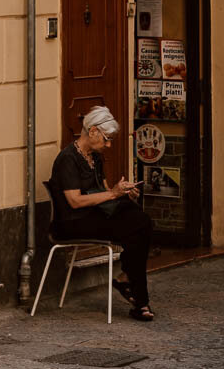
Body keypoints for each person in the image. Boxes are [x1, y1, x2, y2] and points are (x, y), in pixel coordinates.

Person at [49, 105, 155, 322]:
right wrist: (114, 194)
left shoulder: (95, 157)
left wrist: (123, 191)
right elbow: (75, 201)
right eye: (106, 138)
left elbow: (105, 191)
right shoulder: (67, 159)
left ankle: (134, 289)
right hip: (73, 221)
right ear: (94, 131)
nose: (108, 144)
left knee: (140, 220)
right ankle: (134, 291)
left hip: (94, 213)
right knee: (136, 225)